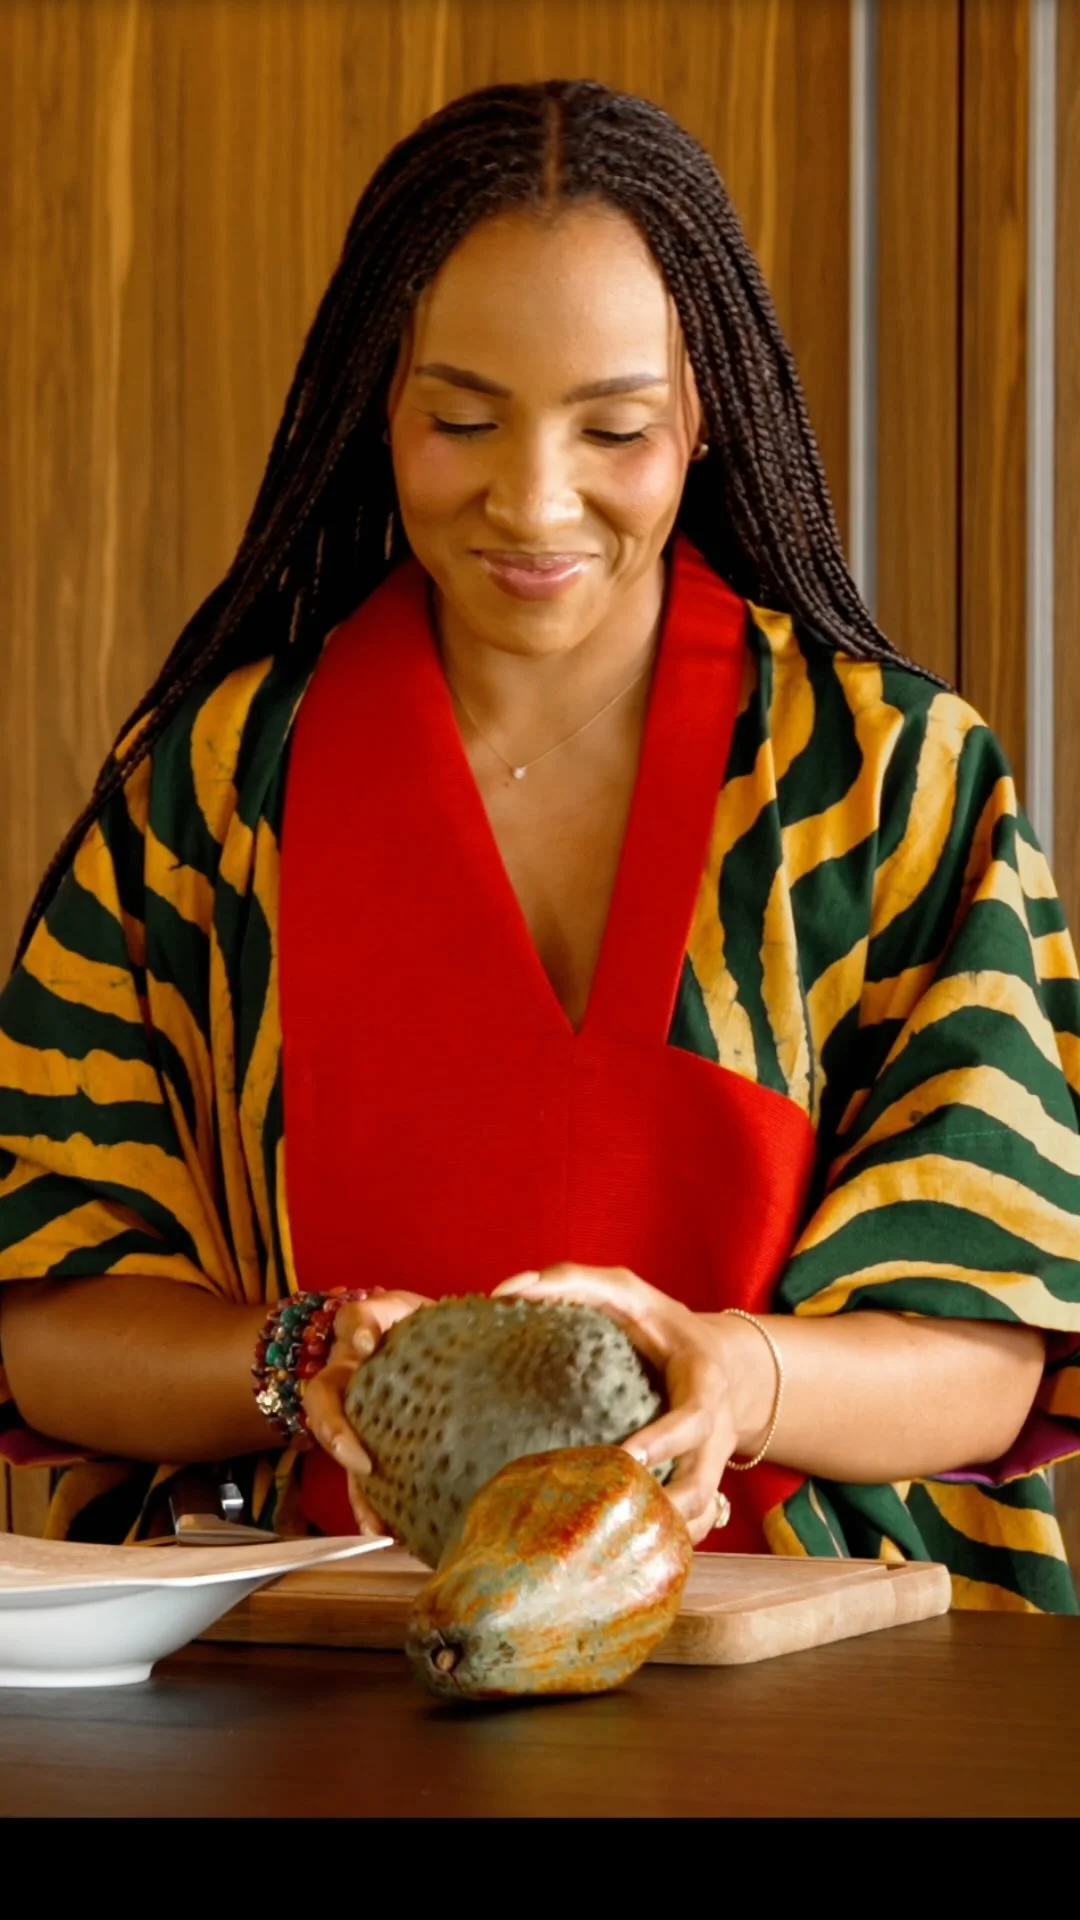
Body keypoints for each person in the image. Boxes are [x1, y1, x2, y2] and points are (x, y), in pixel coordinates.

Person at [1, 81, 1077, 1607]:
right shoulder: (217, 792)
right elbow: (41, 1322)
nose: (533, 497)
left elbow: (997, 1347)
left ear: (704, 412)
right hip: (306, 1670)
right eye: (462, 419)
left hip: (815, 1676)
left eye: (615, 427)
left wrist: (738, 1373)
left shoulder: (894, 781)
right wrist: (294, 1359)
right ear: (380, 401)